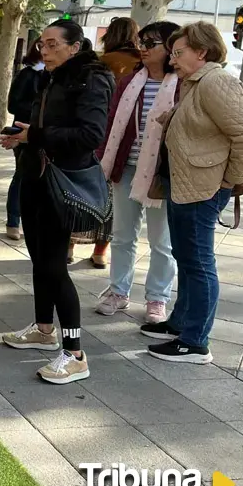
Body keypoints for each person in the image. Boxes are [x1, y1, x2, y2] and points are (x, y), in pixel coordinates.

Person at [0, 20, 114, 384]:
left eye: (51, 45)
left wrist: (38, 134)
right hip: (36, 176)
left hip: (63, 183)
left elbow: (90, 135)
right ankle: (44, 329)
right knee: (41, 261)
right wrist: (23, 138)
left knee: (54, 266)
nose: (43, 51)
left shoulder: (92, 78)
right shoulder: (51, 76)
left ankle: (75, 354)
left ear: (75, 46)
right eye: (41, 45)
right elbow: (43, 127)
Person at [142, 22, 243, 364]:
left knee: (199, 263)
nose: (172, 59)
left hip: (204, 187)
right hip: (186, 183)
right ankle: (181, 324)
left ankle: (195, 342)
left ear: (202, 51)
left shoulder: (217, 82)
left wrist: (229, 182)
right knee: (187, 259)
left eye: (178, 52)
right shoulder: (195, 82)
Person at [95, 22, 181, 325]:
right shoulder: (131, 81)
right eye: (141, 41)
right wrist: (102, 158)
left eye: (151, 43)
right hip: (127, 167)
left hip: (162, 173)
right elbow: (111, 122)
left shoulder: (183, 84)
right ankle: (118, 291)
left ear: (170, 47)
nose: (142, 47)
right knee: (121, 235)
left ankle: (157, 298)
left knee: (162, 241)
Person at [73, 17, 141, 268]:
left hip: (93, 135)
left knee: (83, 192)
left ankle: (70, 244)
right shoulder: (141, 65)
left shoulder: (100, 63)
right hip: (124, 140)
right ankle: (101, 251)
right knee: (112, 199)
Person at [5, 41, 44, 240]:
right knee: (21, 175)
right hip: (24, 133)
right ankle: (13, 221)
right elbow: (13, 105)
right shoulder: (28, 74)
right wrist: (37, 111)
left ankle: (35, 222)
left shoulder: (56, 75)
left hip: (46, 135)